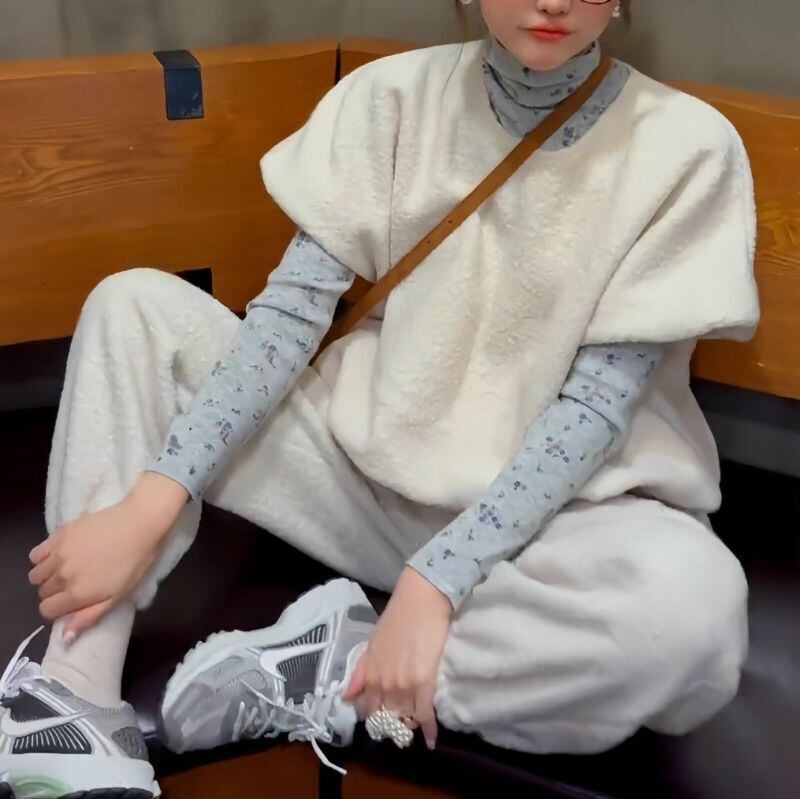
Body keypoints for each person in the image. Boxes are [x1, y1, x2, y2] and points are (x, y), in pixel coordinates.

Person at [0, 0, 760, 795]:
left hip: (556, 528)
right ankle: (73, 689)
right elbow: (288, 320)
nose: (554, 1)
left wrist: (435, 584)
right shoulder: (390, 99)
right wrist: (150, 502)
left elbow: (592, 413)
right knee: (134, 308)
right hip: (363, 477)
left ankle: (335, 677)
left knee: (692, 616)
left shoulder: (685, 147)